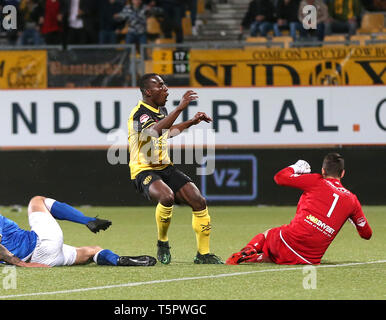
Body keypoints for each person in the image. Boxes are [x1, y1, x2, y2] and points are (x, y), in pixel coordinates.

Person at [127, 73, 223, 265]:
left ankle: (203, 254)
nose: (166, 89)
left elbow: (167, 132)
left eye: (165, 85)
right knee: (166, 196)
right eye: (160, 86)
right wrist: (180, 108)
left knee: (198, 200)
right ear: (148, 92)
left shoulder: (161, 109)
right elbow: (154, 132)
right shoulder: (140, 113)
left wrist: (191, 122)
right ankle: (162, 242)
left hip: (165, 167)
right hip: (143, 169)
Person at [0, 187, 156, 267]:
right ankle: (87, 220)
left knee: (93, 251)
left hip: (48, 258)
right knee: (37, 200)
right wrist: (24, 265)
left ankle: (118, 260)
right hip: (41, 246)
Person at [226, 153, 372, 265]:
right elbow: (367, 234)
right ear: (342, 173)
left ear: (323, 170)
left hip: (288, 240)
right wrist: (355, 222)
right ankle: (258, 257)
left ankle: (248, 251)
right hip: (309, 259)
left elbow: (279, 178)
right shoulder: (352, 200)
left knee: (268, 234)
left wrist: (296, 167)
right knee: (278, 255)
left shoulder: (316, 180)